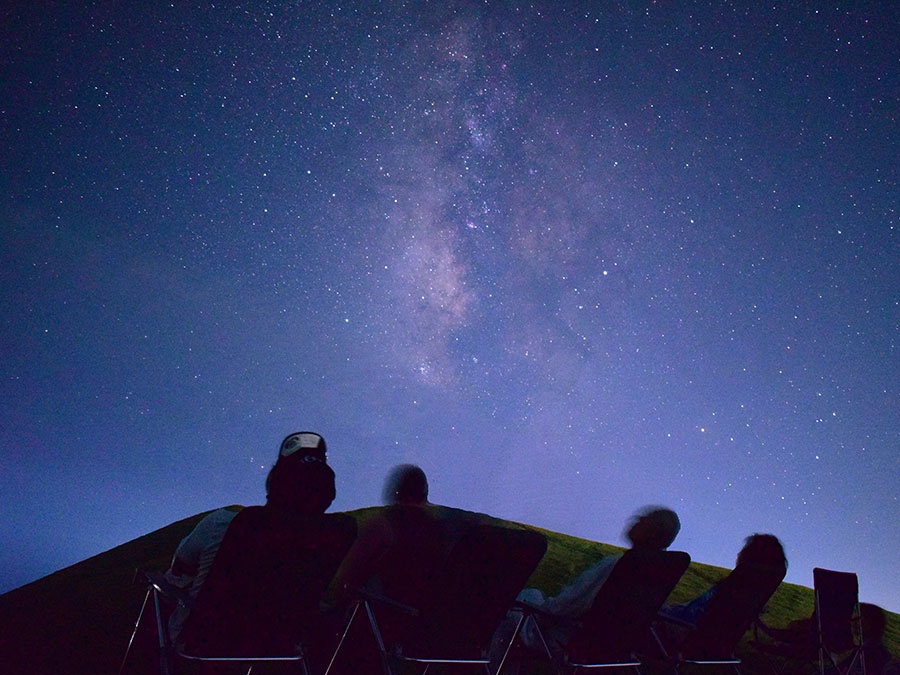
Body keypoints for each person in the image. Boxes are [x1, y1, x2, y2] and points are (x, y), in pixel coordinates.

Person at [164, 431, 331, 644]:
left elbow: (181, 564)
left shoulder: (223, 523)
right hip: (282, 648)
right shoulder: (335, 535)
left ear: (275, 483)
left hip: (205, 642)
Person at [501, 506, 681, 660]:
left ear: (650, 532)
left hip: (569, 640)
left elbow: (568, 604)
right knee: (533, 595)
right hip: (612, 647)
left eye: (643, 520)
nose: (635, 520)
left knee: (517, 607)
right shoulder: (653, 574)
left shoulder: (621, 565)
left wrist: (536, 612)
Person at [660, 533, 786, 625]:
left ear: (748, 556)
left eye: (743, 550)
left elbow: (691, 616)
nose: (738, 554)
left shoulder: (732, 589)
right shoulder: (754, 596)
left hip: (677, 629)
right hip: (703, 637)